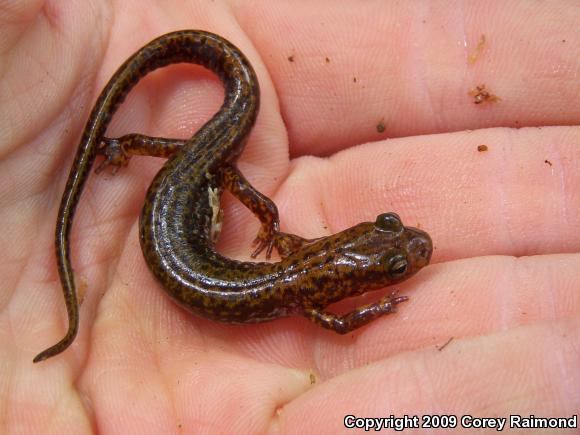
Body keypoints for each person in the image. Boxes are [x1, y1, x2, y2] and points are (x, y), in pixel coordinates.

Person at [2, 1, 578, 432]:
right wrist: (374, 308)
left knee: (200, 166)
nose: (411, 250)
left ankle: (130, 143)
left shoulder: (307, 280)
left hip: (178, 218)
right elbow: (340, 324)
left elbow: (329, 310)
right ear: (353, 263)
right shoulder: (310, 294)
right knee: (202, 166)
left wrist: (269, 223)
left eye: (394, 255)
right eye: (395, 253)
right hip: (183, 212)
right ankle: (133, 143)